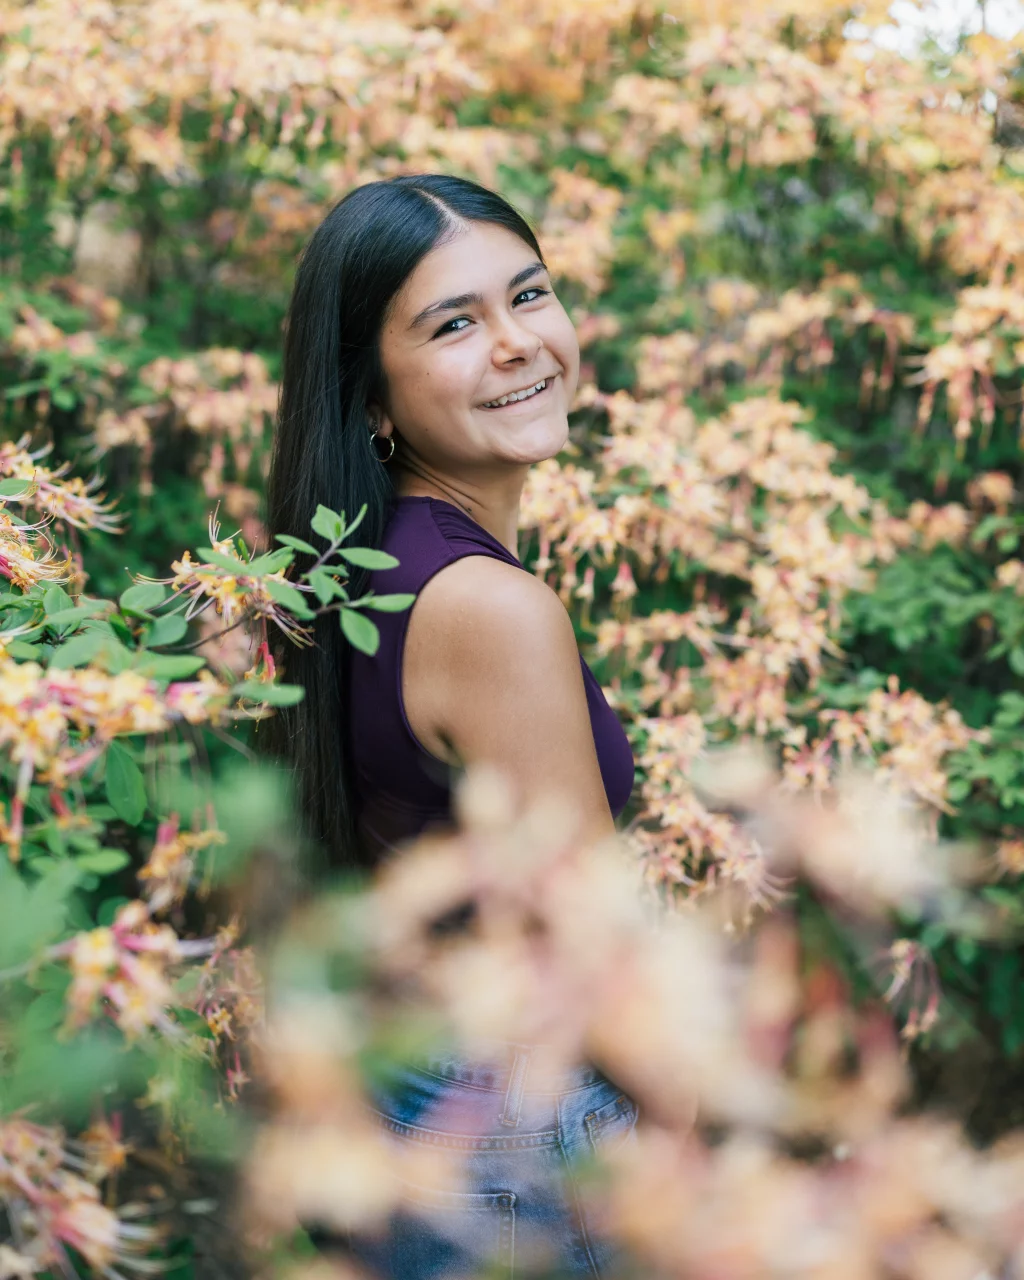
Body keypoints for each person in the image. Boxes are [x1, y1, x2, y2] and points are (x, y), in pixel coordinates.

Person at [261, 174, 638, 1278]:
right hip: (523, 1130)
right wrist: (699, 1123)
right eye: (455, 323)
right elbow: (596, 954)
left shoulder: (351, 574)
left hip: (407, 1103)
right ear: (373, 397)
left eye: (528, 295)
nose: (518, 343)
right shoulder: (488, 608)